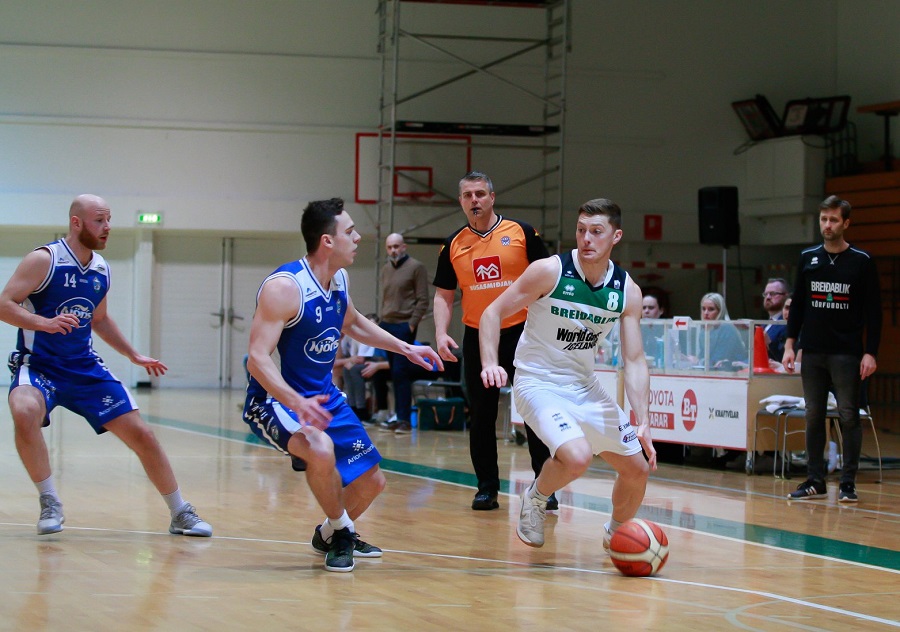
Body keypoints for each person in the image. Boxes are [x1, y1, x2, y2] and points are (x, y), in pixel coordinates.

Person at [242, 197, 442, 572]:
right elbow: (257, 358)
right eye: (350, 231)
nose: (358, 237)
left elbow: (352, 323)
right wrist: (296, 402)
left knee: (372, 482)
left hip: (323, 397)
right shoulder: (285, 287)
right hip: (276, 400)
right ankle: (344, 531)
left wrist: (406, 348)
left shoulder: (339, 280)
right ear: (327, 241)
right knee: (319, 448)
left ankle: (330, 534)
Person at [0, 194, 212, 537]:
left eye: (109, 219)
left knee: (142, 434)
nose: (107, 227)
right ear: (76, 223)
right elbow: (5, 304)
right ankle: (50, 500)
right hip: (39, 366)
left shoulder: (101, 268)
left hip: (83, 368)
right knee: (24, 411)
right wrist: (44, 323)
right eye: (99, 220)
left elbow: (99, 319)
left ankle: (180, 512)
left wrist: (133, 354)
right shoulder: (44, 260)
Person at [479, 198, 656, 549]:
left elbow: (635, 360)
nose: (586, 238)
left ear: (616, 236)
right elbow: (492, 312)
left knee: (638, 469)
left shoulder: (626, 290)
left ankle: (618, 535)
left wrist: (644, 420)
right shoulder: (550, 271)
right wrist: (489, 362)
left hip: (584, 387)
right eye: (581, 230)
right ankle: (535, 497)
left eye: (596, 231)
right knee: (577, 457)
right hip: (537, 381)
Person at [433, 171, 554, 511]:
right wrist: (441, 333)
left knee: (535, 411)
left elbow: (550, 279)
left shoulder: (522, 233)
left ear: (492, 197)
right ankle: (487, 488)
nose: (474, 200)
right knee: (482, 416)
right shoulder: (453, 245)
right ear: (461, 201)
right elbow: (444, 296)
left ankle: (545, 488)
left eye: (480, 193)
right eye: (468, 195)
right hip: (476, 336)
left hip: (523, 332)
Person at [783, 195, 881, 503]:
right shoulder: (808, 258)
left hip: (846, 353)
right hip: (812, 351)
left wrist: (871, 352)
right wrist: (790, 344)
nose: (827, 225)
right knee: (813, 415)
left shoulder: (862, 261)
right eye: (824, 219)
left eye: (834, 220)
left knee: (848, 415)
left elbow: (874, 311)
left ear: (846, 223)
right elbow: (798, 305)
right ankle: (815, 480)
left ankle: (848, 482)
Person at [378, 233, 430, 434]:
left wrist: (411, 325)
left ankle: (404, 420)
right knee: (393, 372)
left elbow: (423, 299)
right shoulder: (385, 269)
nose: (393, 250)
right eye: (389, 247)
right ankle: (396, 416)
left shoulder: (416, 267)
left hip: (403, 325)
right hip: (387, 324)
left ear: (404, 247)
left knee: (401, 372)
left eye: (396, 246)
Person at [694, 292, 747, 370]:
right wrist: (687, 359)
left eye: (711, 309)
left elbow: (718, 362)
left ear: (720, 311)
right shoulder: (704, 330)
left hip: (734, 372)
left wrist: (698, 361)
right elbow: (702, 355)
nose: (706, 313)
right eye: (703, 309)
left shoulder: (727, 328)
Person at [762, 278, 790, 361]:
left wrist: (769, 343)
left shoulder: (786, 324)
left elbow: (784, 357)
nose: (768, 297)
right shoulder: (764, 324)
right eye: (766, 294)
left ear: (786, 296)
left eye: (773, 294)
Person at [641, 293, 666, 364]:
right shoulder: (634, 331)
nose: (646, 311)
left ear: (661, 310)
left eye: (651, 308)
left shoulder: (667, 332)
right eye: (644, 308)